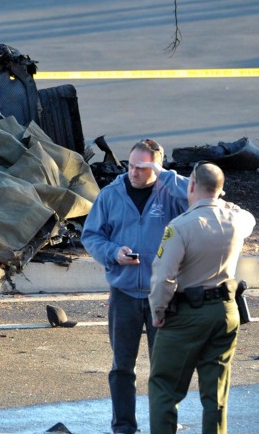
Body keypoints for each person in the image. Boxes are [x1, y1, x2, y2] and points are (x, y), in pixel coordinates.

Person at [80, 138, 190, 434]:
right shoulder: (111, 194)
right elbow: (91, 236)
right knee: (121, 367)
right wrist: (113, 253)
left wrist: (165, 175)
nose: (134, 172)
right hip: (124, 294)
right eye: (131, 165)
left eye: (143, 167)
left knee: (165, 369)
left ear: (157, 167)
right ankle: (124, 427)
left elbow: (202, 194)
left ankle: (163, 424)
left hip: (163, 295)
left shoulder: (171, 192)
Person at [148, 162, 255, 434]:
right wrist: (221, 199)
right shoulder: (237, 219)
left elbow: (163, 278)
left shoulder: (180, 226)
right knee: (216, 393)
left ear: (192, 186)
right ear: (220, 191)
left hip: (186, 315)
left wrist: (158, 312)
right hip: (225, 310)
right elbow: (248, 217)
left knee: (164, 389)